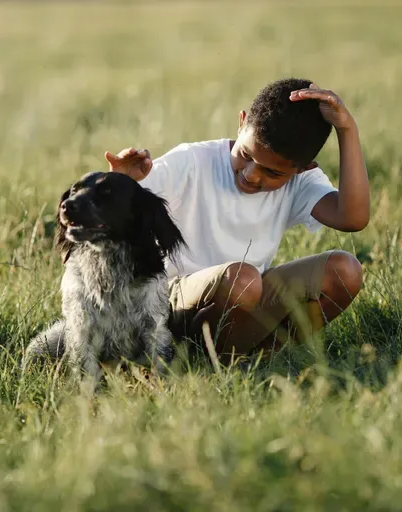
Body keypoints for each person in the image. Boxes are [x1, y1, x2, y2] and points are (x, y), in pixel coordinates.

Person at [104, 78, 369, 363]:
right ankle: (194, 356)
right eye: (245, 155)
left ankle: (254, 356)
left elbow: (352, 218)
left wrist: (347, 129)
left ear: (303, 169)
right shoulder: (193, 161)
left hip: (241, 301)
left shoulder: (301, 184)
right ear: (241, 123)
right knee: (243, 279)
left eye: (272, 173)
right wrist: (120, 182)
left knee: (345, 271)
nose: (252, 174)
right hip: (167, 302)